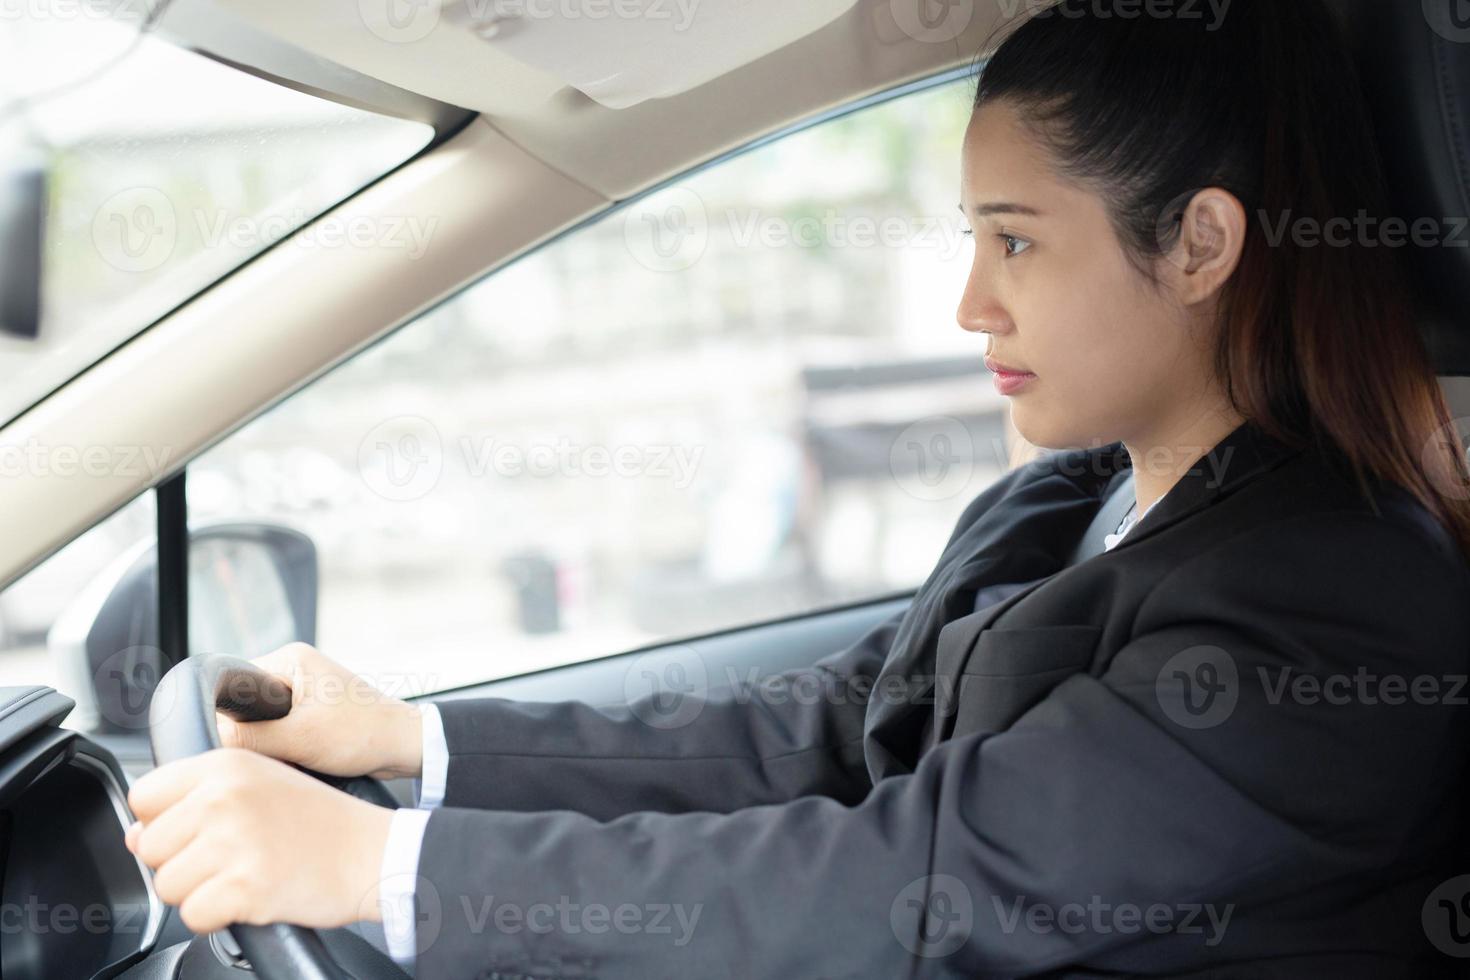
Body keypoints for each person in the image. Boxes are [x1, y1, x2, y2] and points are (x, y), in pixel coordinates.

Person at [124, 1, 1470, 976]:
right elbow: (822, 734)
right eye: (971, 240)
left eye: (1015, 242)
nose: (968, 303)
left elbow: (918, 878)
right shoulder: (1060, 508)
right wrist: (416, 745)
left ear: (1196, 244)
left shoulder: (1336, 604)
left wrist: (375, 870)